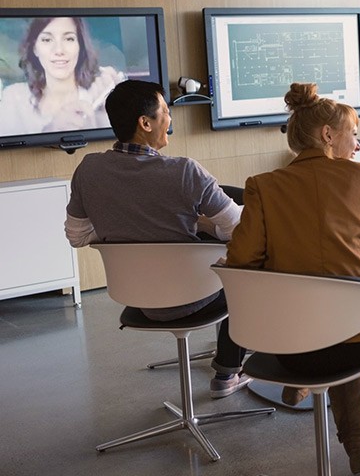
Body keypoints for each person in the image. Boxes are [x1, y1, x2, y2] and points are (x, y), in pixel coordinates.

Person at [225, 82, 360, 475]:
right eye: (353, 135)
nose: (357, 146)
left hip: (284, 343)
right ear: (328, 135)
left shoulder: (262, 186)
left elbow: (241, 258)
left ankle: (304, 380)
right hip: (358, 343)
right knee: (347, 322)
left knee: (324, 321)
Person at [64, 79, 250, 400]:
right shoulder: (185, 172)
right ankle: (227, 372)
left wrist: (123, 226)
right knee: (250, 274)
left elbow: (77, 236)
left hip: (139, 298)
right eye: (165, 111)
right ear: (145, 123)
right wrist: (202, 225)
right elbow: (240, 232)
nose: (170, 119)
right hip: (194, 295)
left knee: (224, 204)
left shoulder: (88, 169)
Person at [0, 17, 125, 136]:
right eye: (47, 40)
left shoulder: (98, 98)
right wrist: (51, 131)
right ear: (35, 48)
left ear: (80, 46)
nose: (59, 50)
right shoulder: (13, 98)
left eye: (69, 39)